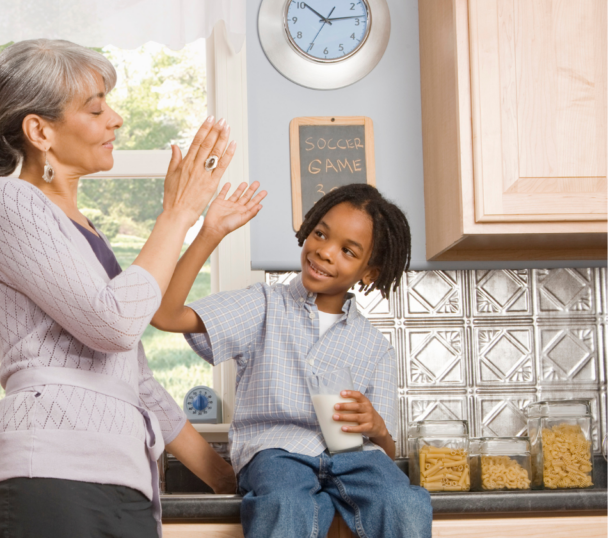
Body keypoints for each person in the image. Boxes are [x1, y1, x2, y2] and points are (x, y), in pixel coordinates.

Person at [0, 39, 248, 538]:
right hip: (47, 473)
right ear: (40, 131)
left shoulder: (83, 230)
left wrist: (227, 478)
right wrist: (179, 213)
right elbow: (113, 325)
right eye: (96, 108)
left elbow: (135, 382)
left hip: (124, 481)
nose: (115, 119)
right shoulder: (8, 201)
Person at [152, 183, 433, 538]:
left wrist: (376, 426)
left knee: (403, 502)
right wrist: (211, 233)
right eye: (320, 234)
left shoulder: (375, 347)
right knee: (284, 503)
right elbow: (166, 314)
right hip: (277, 452)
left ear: (370, 272)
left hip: (355, 457)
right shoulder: (264, 306)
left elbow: (386, 453)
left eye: (347, 250)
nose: (326, 252)